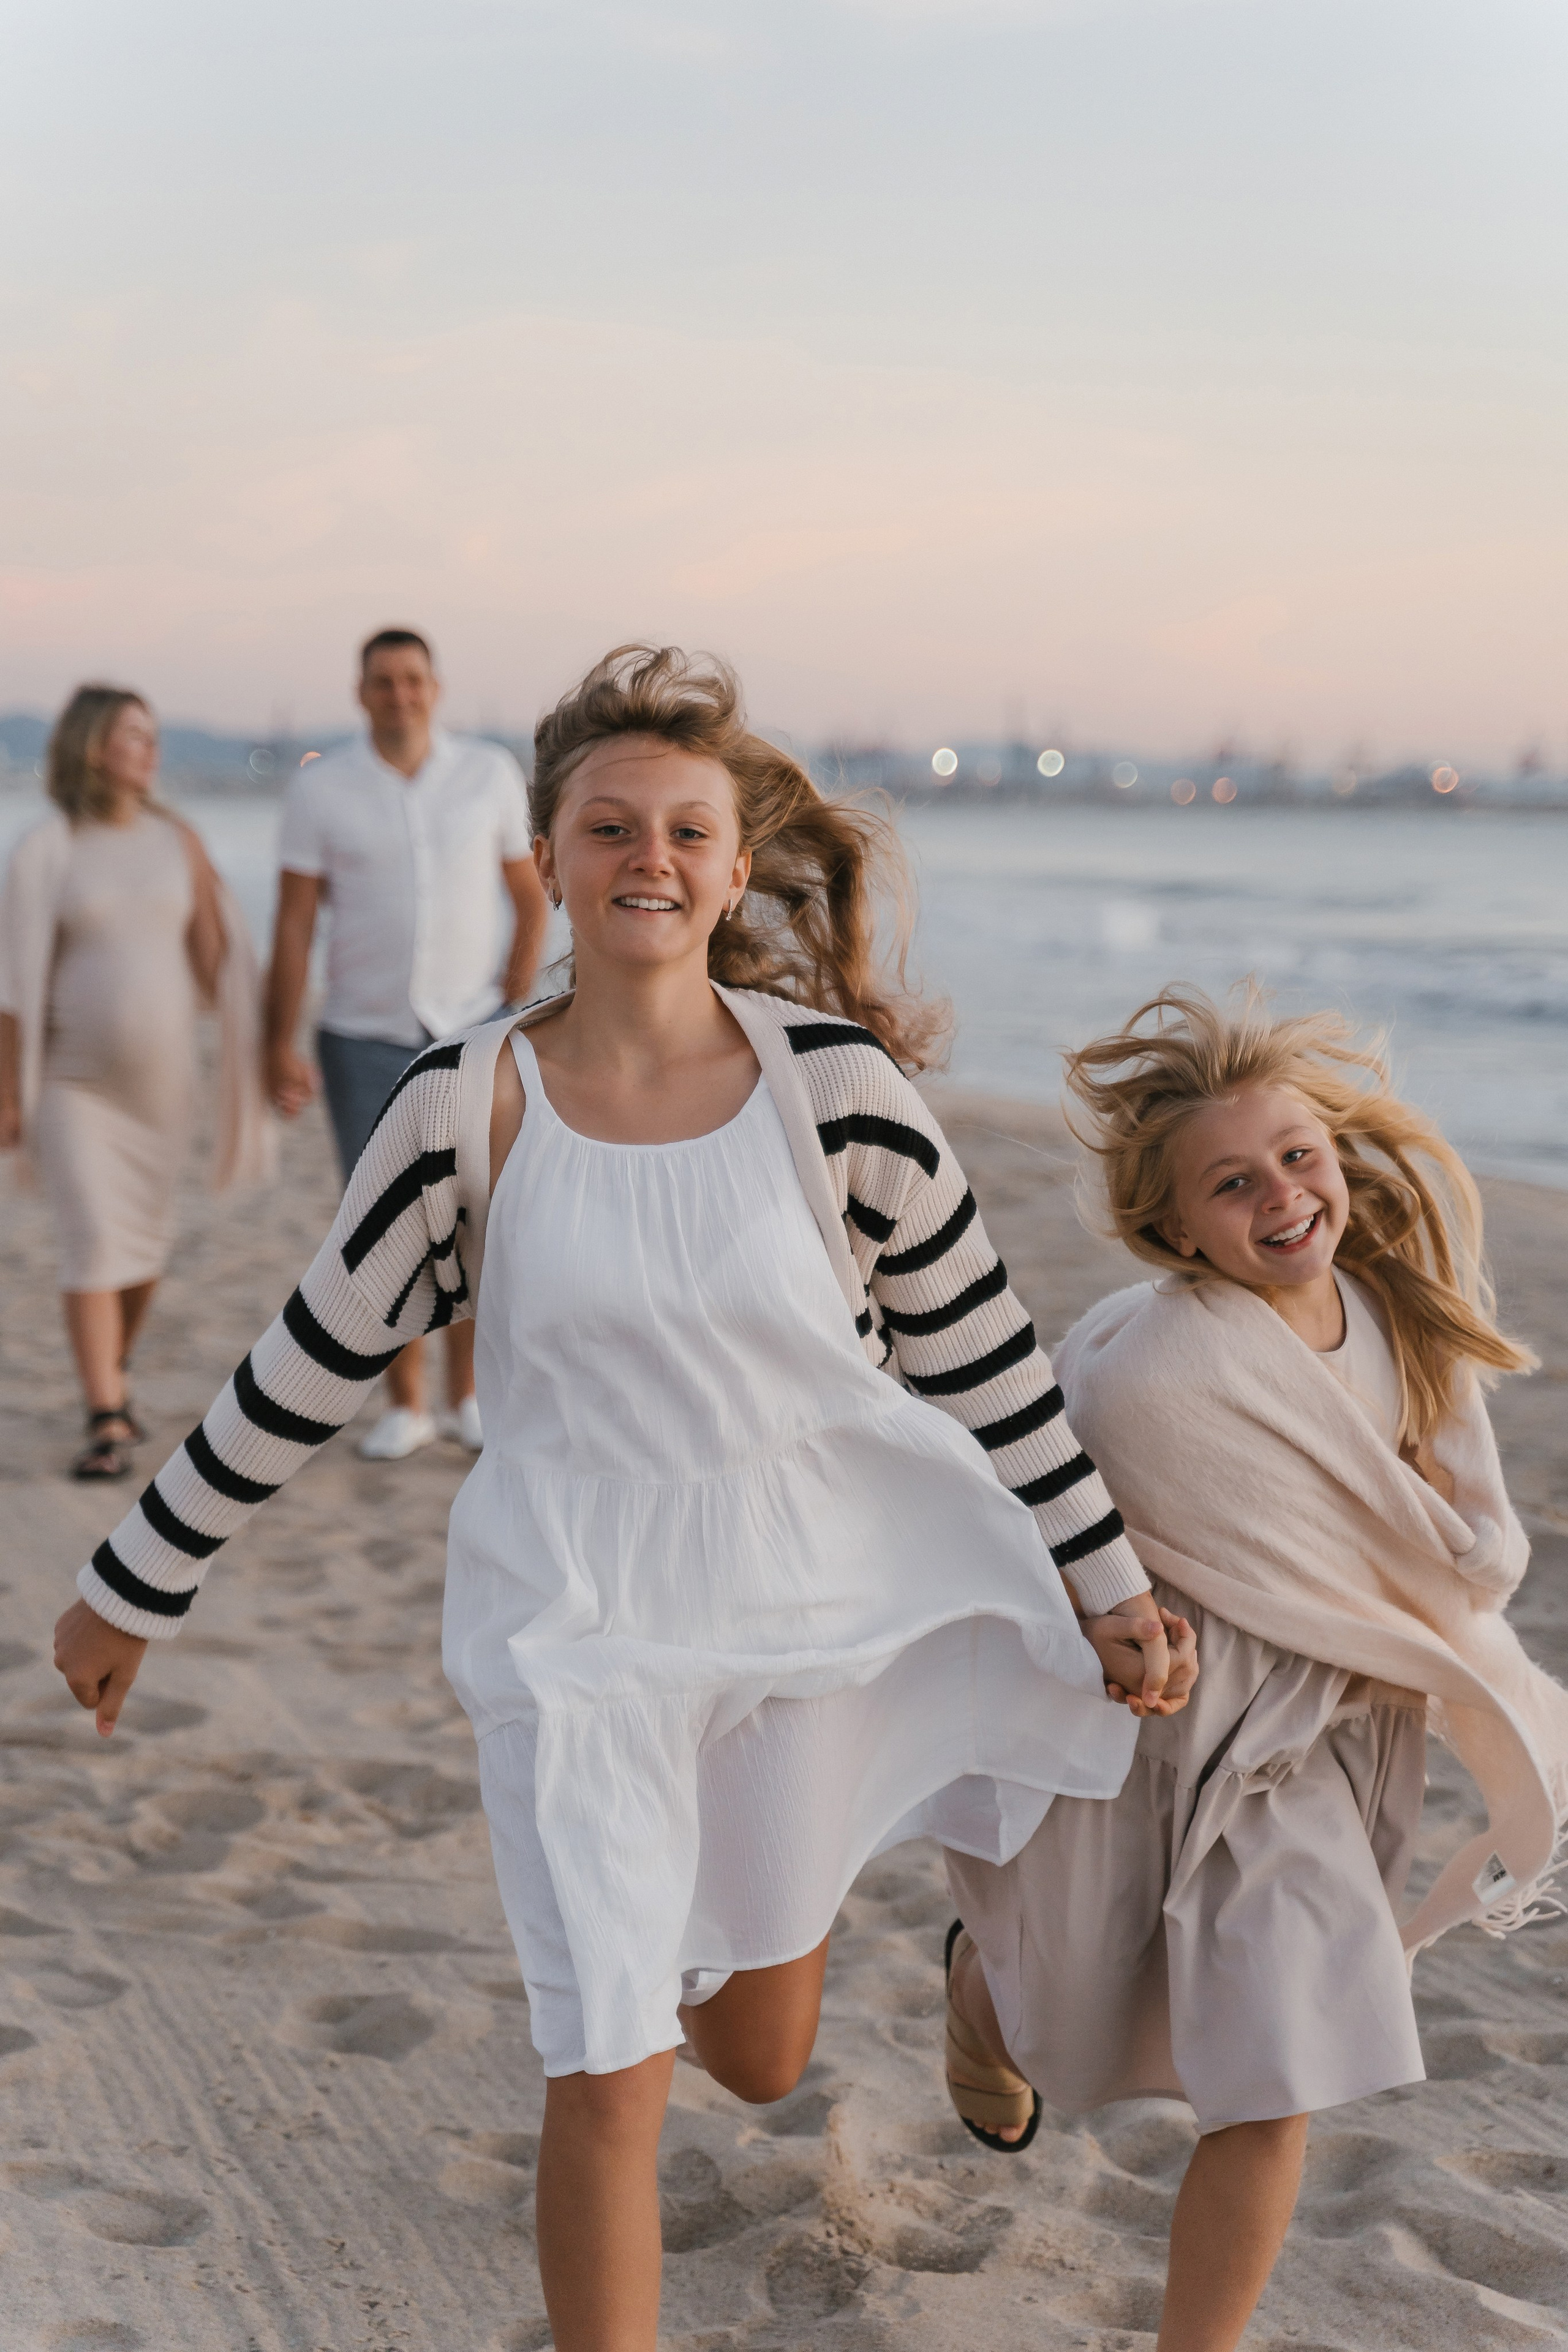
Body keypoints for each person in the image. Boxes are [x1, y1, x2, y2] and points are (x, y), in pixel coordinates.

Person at [53, 644, 1194, 2352]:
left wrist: (1105, 1585)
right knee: (604, 2058)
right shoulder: (464, 1105)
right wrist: (138, 1576)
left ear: (732, 873)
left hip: (804, 1600)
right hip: (571, 1619)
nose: (646, 856)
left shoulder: (837, 1094)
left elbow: (992, 1369)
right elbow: (307, 1359)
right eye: (608, 827)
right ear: (547, 863)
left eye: (684, 830)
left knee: (762, 2056)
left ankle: (934, 1976)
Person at [943, 986, 1568, 2352]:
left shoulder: (1400, 1319)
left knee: (1277, 2075)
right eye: (1232, 1184)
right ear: (1178, 1229)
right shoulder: (1151, 1368)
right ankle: (980, 1993)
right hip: (1159, 1713)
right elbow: (1039, 1513)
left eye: (1296, 1157)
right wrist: (1102, 1617)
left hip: (1312, 1737)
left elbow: (1436, 1530)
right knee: (1075, 1999)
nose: (1281, 1196)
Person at [263, 625, 548, 1459]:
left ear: (435, 687)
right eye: (383, 681)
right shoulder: (322, 788)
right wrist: (277, 1042)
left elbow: (530, 897)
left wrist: (512, 998)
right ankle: (406, 1405)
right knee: (382, 1227)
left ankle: (466, 1398)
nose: (400, 695)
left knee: (475, 1214)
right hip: (361, 1034)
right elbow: (293, 925)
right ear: (362, 693)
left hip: (470, 1028)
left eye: (413, 679)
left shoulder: (487, 775)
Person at [0, 685, 272, 1480]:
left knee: (143, 1247)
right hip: (74, 1086)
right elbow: (12, 987)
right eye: (133, 735)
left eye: (153, 736)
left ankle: (110, 1369)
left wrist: (267, 1049)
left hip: (162, 1091)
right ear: (93, 747)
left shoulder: (177, 840)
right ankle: (106, 1414)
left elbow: (218, 963)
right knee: (93, 1240)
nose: (151, 750)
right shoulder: (48, 846)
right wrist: (8, 1091)